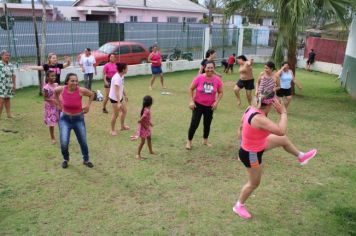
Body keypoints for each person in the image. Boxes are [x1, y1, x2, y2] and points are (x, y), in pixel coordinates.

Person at [233, 94, 317, 219]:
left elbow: (241, 125)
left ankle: (301, 156)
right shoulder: (259, 119)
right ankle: (238, 206)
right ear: (270, 104)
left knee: (283, 140)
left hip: (257, 145)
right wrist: (283, 113)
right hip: (252, 154)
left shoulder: (250, 108)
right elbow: (280, 130)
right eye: (275, 103)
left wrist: (242, 143)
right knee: (254, 183)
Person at [54, 73, 94, 169]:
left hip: (78, 119)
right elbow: (55, 92)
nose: (75, 83)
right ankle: (66, 159)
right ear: (67, 81)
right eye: (72, 80)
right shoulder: (62, 89)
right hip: (65, 119)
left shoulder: (81, 90)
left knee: (83, 141)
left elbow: (92, 94)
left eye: (76, 81)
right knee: (64, 142)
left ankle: (86, 159)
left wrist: (88, 106)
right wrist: (58, 104)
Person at [186, 61, 223, 150]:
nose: (209, 70)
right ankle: (189, 141)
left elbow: (221, 92)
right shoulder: (199, 78)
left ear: (214, 69)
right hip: (198, 105)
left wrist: (216, 103)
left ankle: (205, 141)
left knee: (207, 124)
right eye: (208, 68)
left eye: (211, 68)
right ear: (204, 68)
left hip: (210, 106)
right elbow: (191, 89)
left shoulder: (217, 79)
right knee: (194, 123)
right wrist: (191, 101)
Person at [109, 62, 130, 136]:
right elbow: (116, 91)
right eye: (126, 68)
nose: (127, 69)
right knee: (116, 114)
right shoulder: (117, 78)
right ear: (123, 69)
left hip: (119, 98)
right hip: (114, 99)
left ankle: (122, 126)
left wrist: (125, 95)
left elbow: (121, 87)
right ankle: (112, 130)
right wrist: (118, 102)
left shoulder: (122, 76)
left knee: (124, 111)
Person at [135, 95, 155, 160]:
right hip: (143, 128)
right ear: (151, 103)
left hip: (146, 127)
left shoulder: (146, 109)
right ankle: (138, 154)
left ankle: (151, 151)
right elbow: (141, 120)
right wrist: (146, 126)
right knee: (142, 142)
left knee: (149, 138)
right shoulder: (147, 111)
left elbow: (146, 119)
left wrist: (150, 123)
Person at [43, 71, 60, 144]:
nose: (54, 77)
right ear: (48, 77)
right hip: (50, 107)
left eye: (54, 76)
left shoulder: (56, 85)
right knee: (51, 123)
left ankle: (63, 136)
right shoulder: (46, 87)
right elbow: (45, 98)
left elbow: (59, 94)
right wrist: (53, 100)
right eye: (52, 76)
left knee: (60, 121)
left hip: (58, 105)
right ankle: (52, 137)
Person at [0, 50, 16, 119]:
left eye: (8, 55)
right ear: (1, 56)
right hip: (1, 85)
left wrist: (14, 85)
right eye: (6, 55)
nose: (7, 56)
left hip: (9, 85)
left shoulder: (10, 65)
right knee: (1, 100)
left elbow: (13, 75)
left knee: (8, 99)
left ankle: (9, 114)